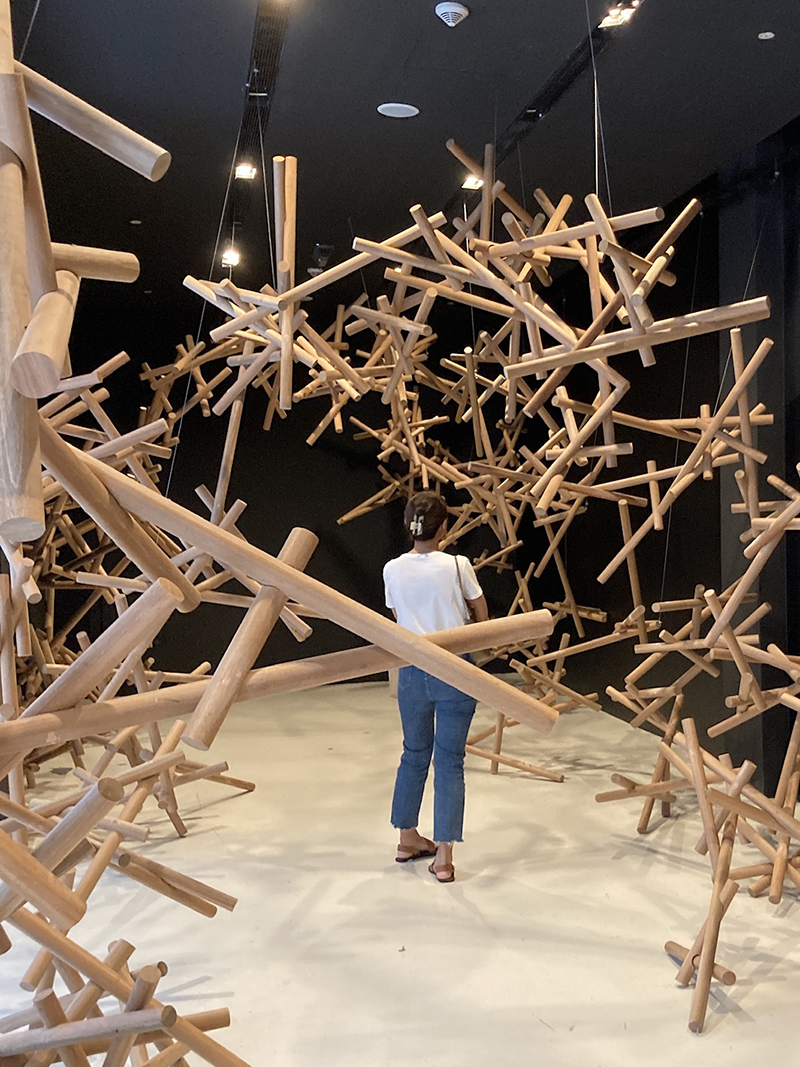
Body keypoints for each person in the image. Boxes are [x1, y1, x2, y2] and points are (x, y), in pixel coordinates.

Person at [383, 491, 488, 883]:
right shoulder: (458, 565)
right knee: (449, 760)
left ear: (407, 526)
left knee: (413, 753)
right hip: (455, 669)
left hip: (412, 670)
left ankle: (406, 838)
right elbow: (481, 615)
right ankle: (443, 857)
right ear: (444, 526)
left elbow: (398, 616)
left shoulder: (392, 569)